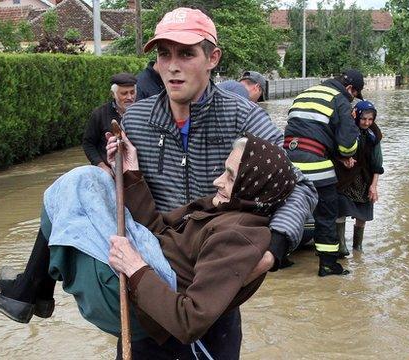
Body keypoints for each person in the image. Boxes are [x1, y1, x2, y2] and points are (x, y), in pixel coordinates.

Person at [0, 134, 298, 357]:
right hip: (153, 279)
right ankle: (33, 287)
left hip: (153, 304)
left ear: (252, 185)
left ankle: (31, 290)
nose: (217, 181)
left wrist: (135, 267)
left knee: (77, 185)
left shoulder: (241, 234)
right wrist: (133, 174)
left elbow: (189, 320)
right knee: (88, 182)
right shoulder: (221, 208)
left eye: (229, 175)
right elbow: (159, 233)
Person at [119, 7, 316, 357]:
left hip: (213, 294)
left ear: (213, 57)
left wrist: (273, 250)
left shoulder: (243, 117)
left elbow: (300, 185)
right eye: (164, 54)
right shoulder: (135, 119)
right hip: (147, 289)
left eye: (186, 53)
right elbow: (123, 198)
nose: (173, 65)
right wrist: (115, 169)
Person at [283, 69, 363, 277]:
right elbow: (347, 146)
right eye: (355, 94)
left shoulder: (304, 94)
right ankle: (327, 265)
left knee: (286, 210)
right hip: (316, 166)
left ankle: (279, 258)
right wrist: (348, 150)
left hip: (287, 166)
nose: (353, 99)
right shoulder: (340, 100)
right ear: (349, 88)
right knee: (326, 214)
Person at [335, 100, 383, 255]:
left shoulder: (374, 135)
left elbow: (377, 164)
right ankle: (341, 246)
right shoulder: (347, 130)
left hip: (365, 179)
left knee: (362, 215)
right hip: (345, 178)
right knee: (340, 210)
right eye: (363, 119)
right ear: (356, 116)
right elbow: (333, 151)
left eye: (370, 119)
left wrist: (374, 186)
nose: (367, 122)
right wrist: (343, 159)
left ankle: (357, 248)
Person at [82, 73, 136, 174]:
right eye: (124, 93)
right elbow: (88, 144)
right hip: (109, 172)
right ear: (113, 94)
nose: (130, 97)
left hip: (135, 172)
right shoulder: (99, 114)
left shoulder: (143, 112)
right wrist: (101, 165)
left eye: (132, 92)